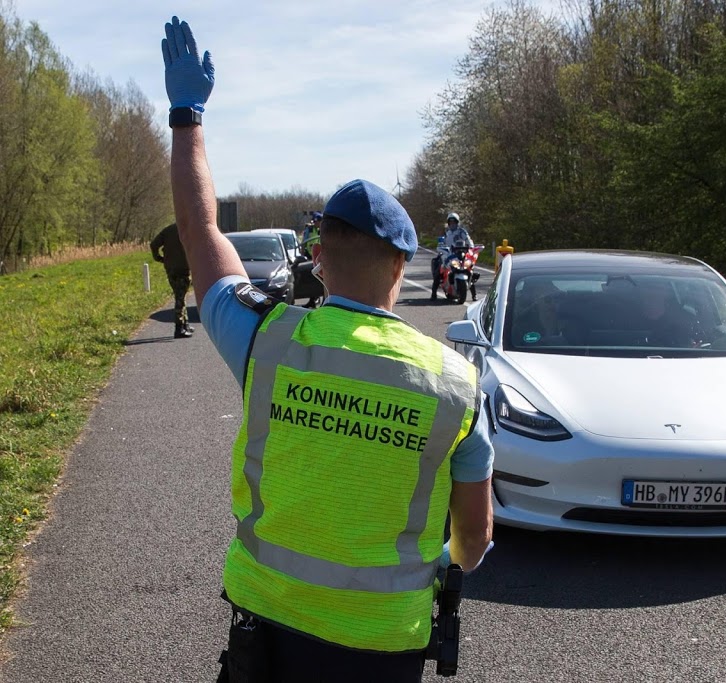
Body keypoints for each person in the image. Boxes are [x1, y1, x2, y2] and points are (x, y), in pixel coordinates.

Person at [161, 16, 494, 682]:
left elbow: (201, 238)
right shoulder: (457, 384)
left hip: (269, 629)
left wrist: (186, 119)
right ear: (404, 263)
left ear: (317, 254)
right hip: (385, 643)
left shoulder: (269, 338)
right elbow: (474, 540)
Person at [149, 222, 194, 338]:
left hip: (171, 268)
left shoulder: (168, 230)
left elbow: (153, 244)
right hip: (184, 268)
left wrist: (158, 257)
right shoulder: (190, 229)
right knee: (180, 297)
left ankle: (185, 324)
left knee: (181, 295)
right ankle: (179, 328)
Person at [430, 213, 475, 301]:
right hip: (448, 254)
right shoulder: (446, 232)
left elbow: (468, 240)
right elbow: (441, 242)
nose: (452, 224)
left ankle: (474, 294)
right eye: (450, 222)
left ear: (457, 222)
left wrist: (471, 247)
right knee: (439, 271)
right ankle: (433, 293)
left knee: (469, 270)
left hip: (460, 253)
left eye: (454, 222)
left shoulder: (462, 232)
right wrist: (441, 247)